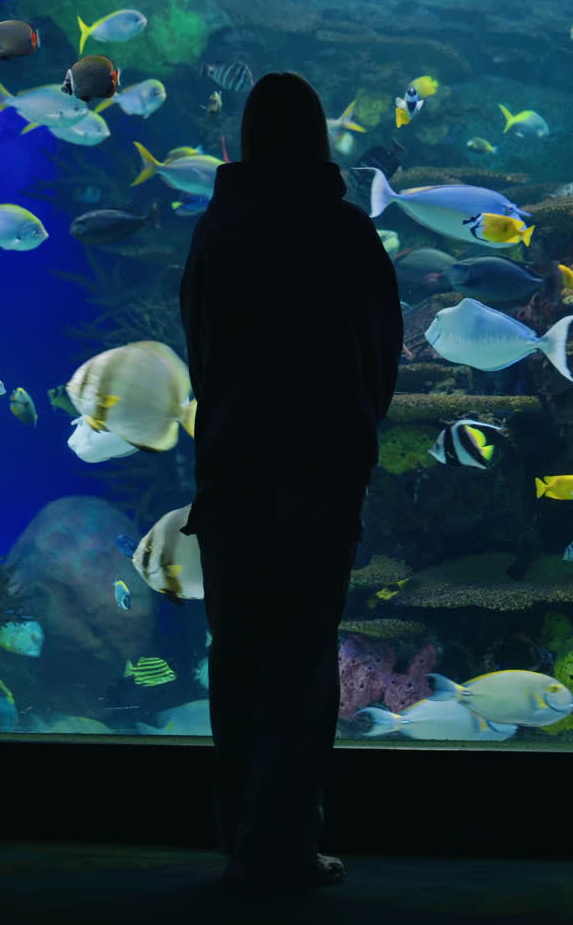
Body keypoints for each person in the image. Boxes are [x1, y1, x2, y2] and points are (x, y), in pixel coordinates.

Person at [179, 71, 404, 891]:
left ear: (247, 136)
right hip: (321, 469)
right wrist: (352, 428)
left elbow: (199, 346)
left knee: (237, 648)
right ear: (318, 140)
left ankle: (237, 832)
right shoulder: (346, 233)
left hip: (233, 468)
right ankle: (283, 842)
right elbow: (381, 348)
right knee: (302, 653)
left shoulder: (215, 231)